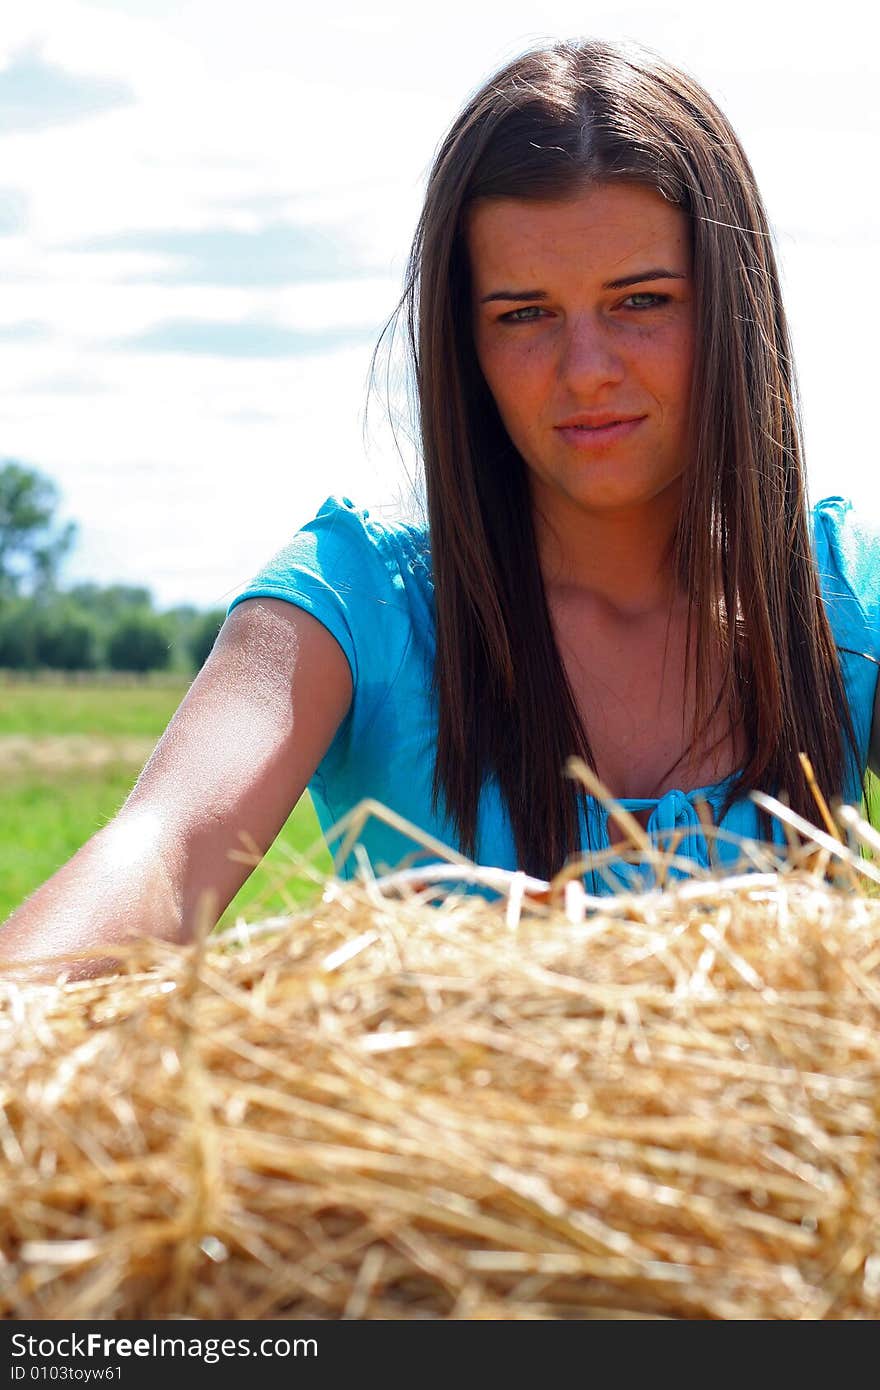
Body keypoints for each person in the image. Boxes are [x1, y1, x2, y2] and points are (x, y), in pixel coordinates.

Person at [2, 36, 879, 972]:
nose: (587, 371)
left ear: (731, 310)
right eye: (524, 314)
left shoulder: (841, 593)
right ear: (465, 347)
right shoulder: (352, 605)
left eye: (640, 301)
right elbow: (164, 856)